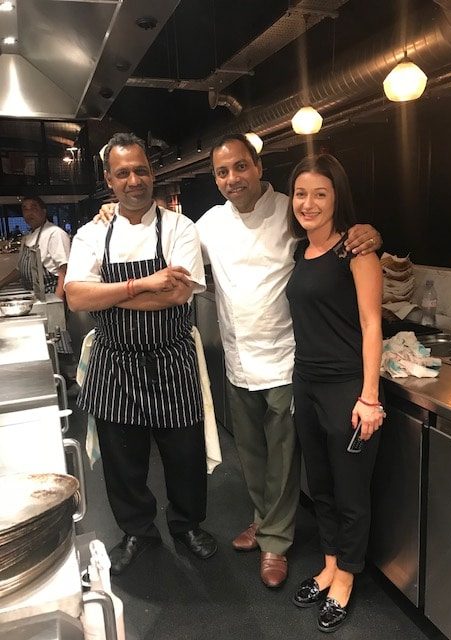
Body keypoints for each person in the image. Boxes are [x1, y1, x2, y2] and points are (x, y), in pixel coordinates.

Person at [95, 134, 381, 587]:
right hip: (238, 360)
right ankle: (265, 519)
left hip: (288, 359)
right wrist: (115, 215)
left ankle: (276, 543)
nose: (233, 178)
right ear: (215, 178)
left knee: (283, 461)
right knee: (251, 456)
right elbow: (167, 249)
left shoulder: (291, 210)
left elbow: (336, 236)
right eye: (222, 172)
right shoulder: (206, 225)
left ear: (258, 166)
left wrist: (369, 232)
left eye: (241, 167)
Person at [64, 132, 217, 575]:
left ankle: (187, 525)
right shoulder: (93, 233)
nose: (134, 180)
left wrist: (107, 294)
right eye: (123, 173)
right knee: (122, 461)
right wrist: (146, 283)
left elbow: (177, 297)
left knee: (184, 455)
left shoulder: (179, 227)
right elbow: (75, 297)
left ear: (153, 174)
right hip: (115, 362)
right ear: (109, 181)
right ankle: (137, 531)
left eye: (142, 170)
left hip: (172, 358)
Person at [285, 154, 384, 633]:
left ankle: (346, 576)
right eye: (301, 193)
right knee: (319, 484)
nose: (308, 203)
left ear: (336, 198)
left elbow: (371, 325)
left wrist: (369, 396)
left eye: (320, 193)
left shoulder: (357, 251)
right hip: (306, 383)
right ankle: (328, 563)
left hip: (346, 387)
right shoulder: (299, 252)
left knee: (350, 493)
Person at [0, 196, 70, 299]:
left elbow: (65, 270)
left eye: (34, 208)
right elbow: (20, 270)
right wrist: (1, 283)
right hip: (35, 297)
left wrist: (57, 302)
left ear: (44, 211)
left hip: (51, 296)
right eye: (25, 209)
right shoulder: (27, 238)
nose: (29, 213)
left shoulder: (54, 233)